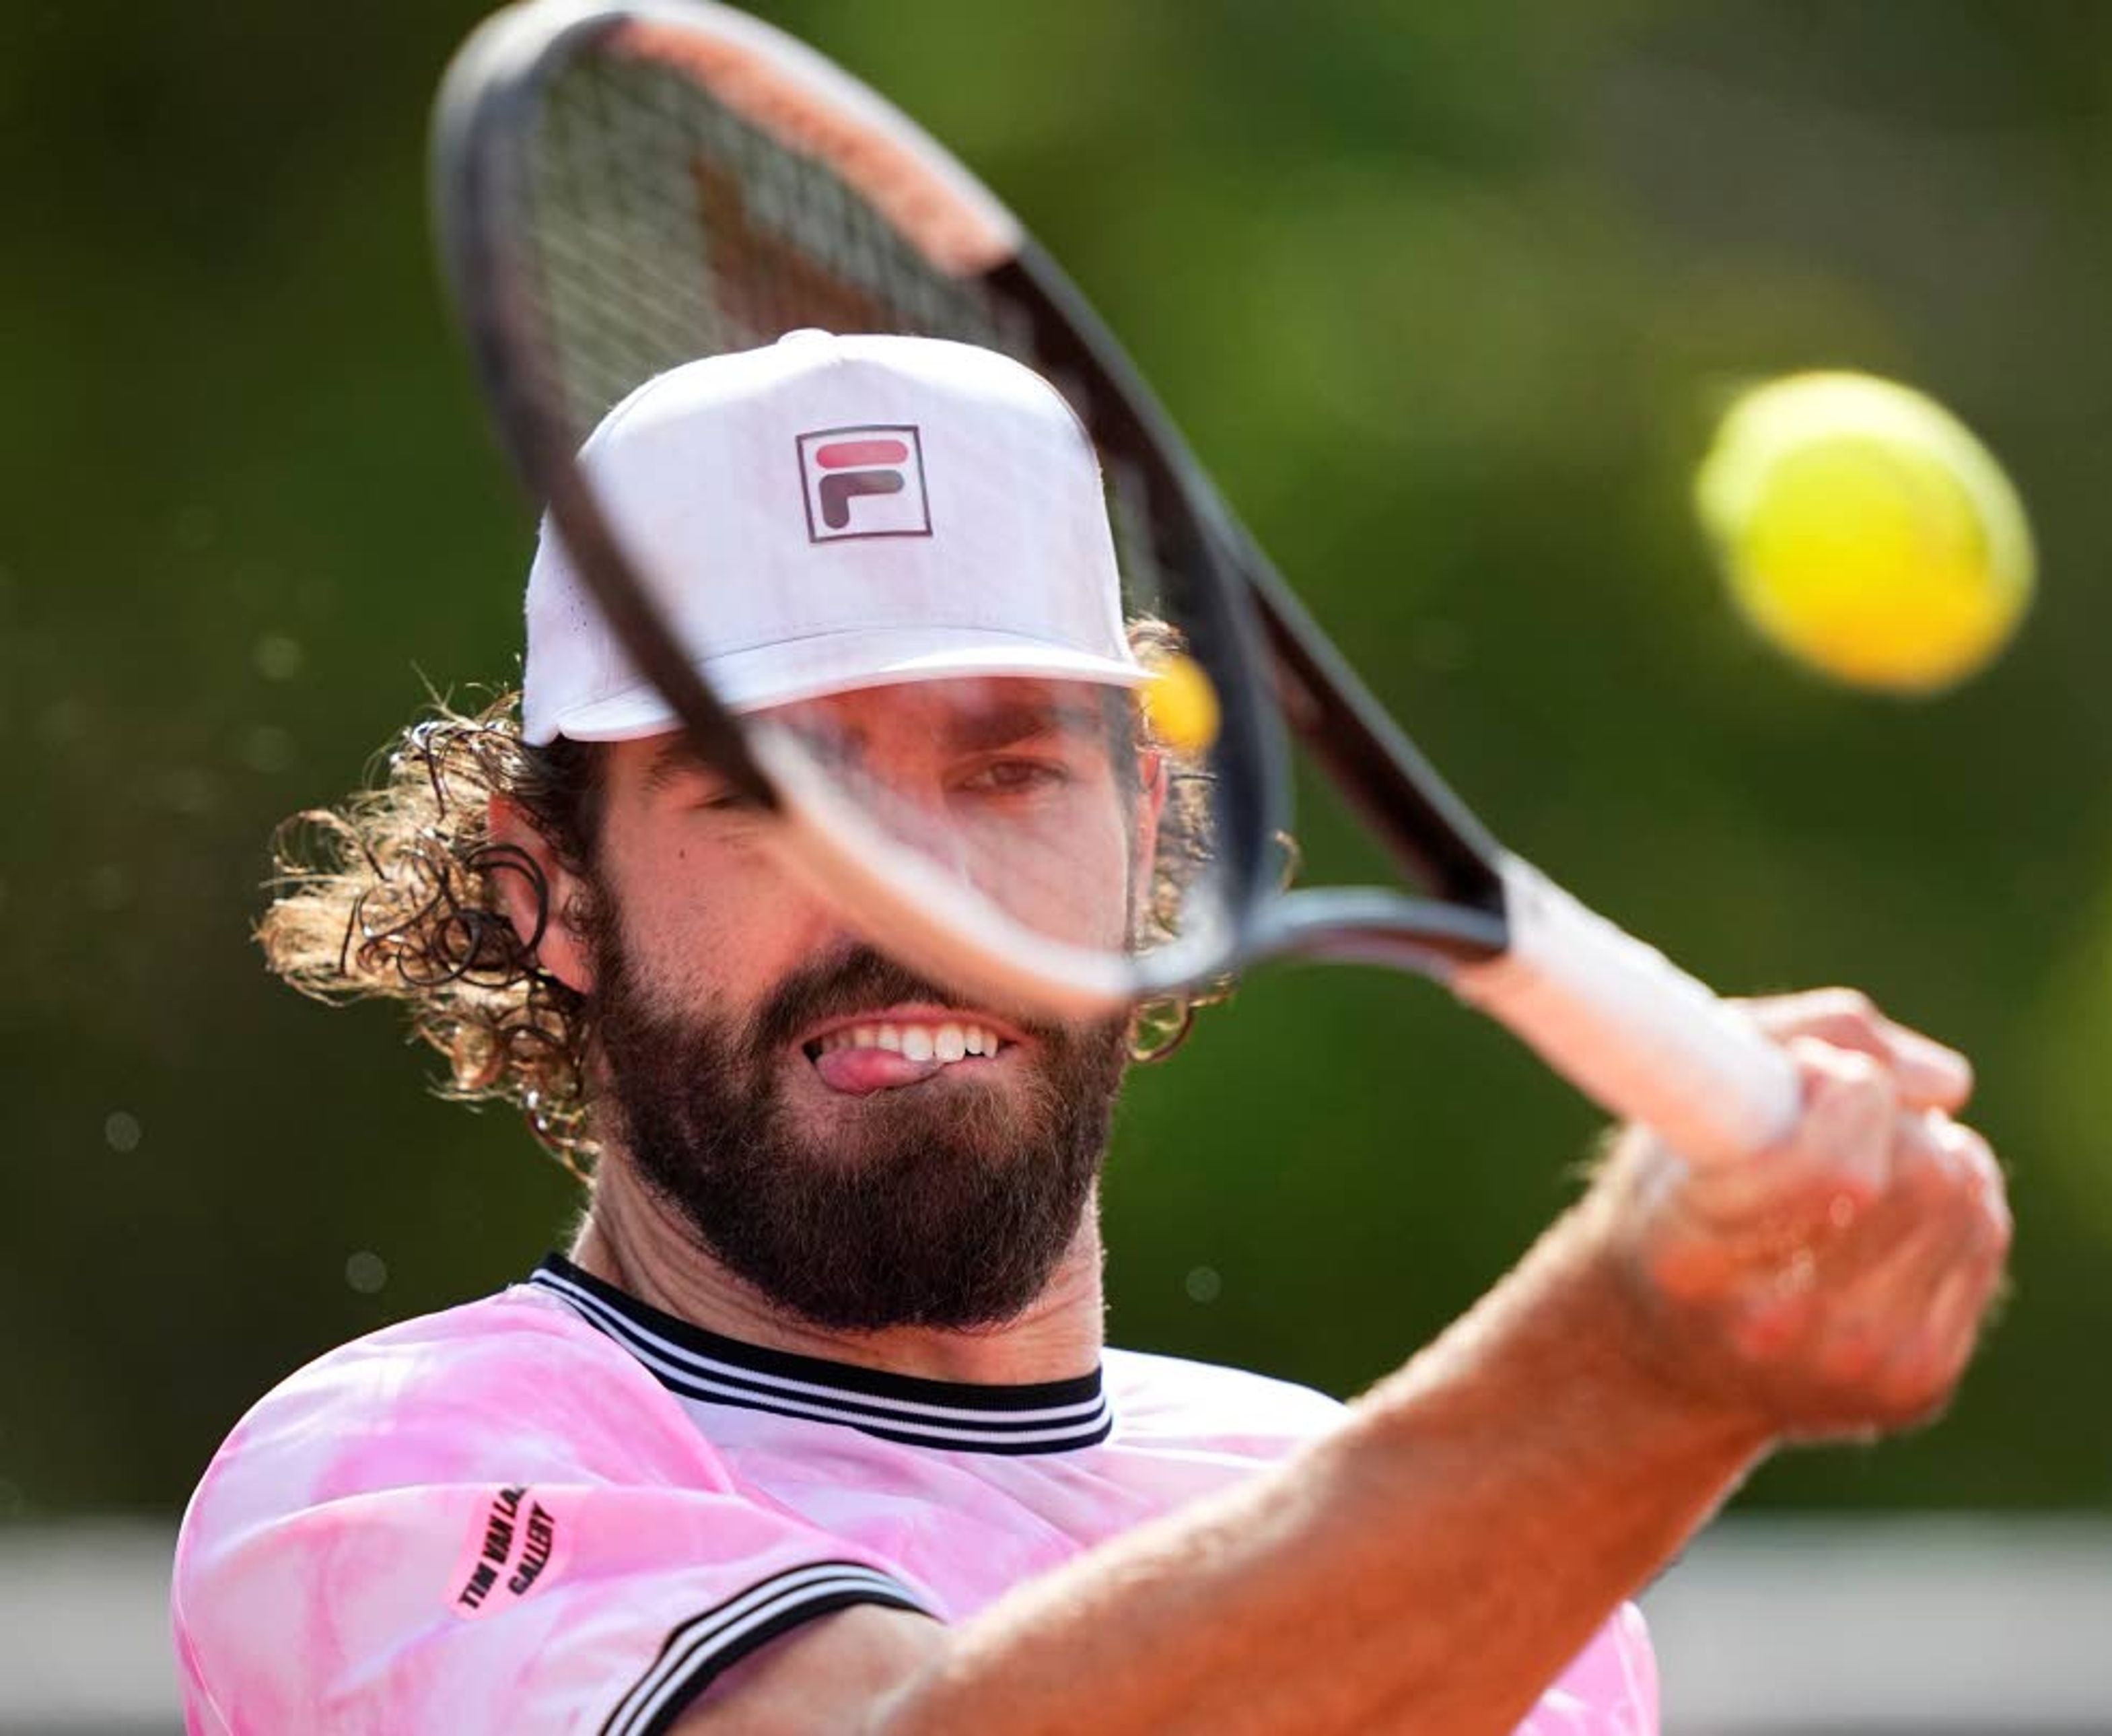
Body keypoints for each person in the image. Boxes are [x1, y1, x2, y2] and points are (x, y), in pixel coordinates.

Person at [174, 332, 2010, 1733]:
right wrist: (1630, 1380)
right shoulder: (386, 1488)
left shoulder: (1507, 1569)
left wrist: (1606, 1423)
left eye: (1003, 770)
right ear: (547, 890)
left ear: (1143, 835)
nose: (912, 896)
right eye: (764, 792)